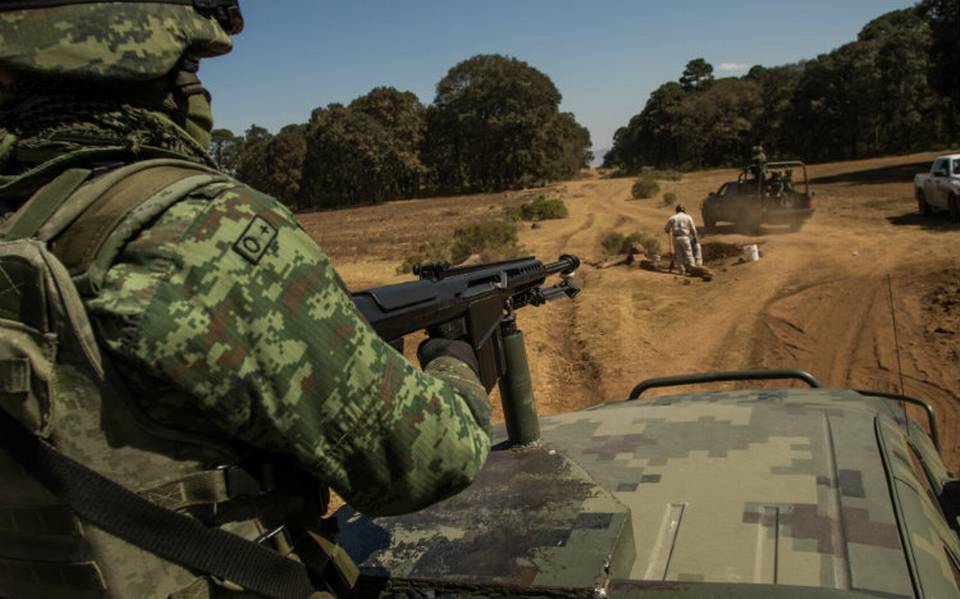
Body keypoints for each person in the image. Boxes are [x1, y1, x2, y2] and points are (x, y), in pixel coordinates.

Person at [0, 3, 492, 598]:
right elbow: (426, 461)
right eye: (191, 68)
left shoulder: (22, 221)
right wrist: (455, 364)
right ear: (157, 79)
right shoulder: (198, 229)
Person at [664, 204, 698, 275]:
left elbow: (666, 228)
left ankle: (682, 271)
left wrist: (669, 231)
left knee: (679, 255)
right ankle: (693, 269)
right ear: (684, 210)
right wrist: (695, 237)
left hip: (676, 238)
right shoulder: (688, 217)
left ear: (676, 210)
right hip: (685, 237)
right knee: (689, 254)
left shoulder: (672, 218)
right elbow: (693, 229)